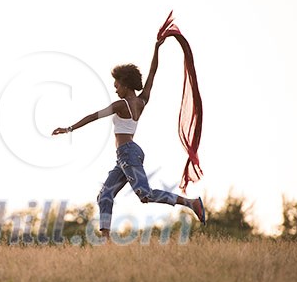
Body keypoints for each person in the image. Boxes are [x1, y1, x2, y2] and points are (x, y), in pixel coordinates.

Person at [52, 39, 205, 241]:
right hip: (127, 155)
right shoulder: (142, 101)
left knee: (145, 194)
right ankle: (105, 240)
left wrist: (69, 128)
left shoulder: (120, 105)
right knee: (105, 195)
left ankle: (190, 203)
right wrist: (157, 49)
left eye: (117, 85)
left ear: (125, 85)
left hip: (128, 153)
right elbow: (153, 73)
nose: (115, 89)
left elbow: (93, 116)